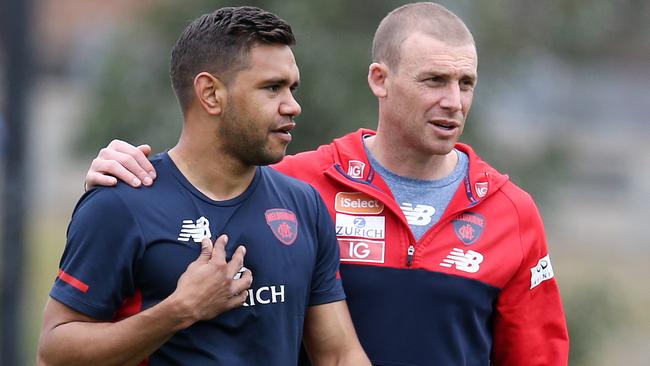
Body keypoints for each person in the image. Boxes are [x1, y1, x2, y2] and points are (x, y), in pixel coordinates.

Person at [83, 3, 570, 365]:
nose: (453, 101)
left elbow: (537, 356)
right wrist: (123, 180)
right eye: (434, 80)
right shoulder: (298, 186)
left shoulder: (512, 212)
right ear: (380, 79)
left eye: (466, 84)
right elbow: (171, 229)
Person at [37, 6, 370, 366]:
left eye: (292, 88)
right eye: (272, 88)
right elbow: (54, 354)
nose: (293, 106)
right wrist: (179, 310)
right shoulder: (121, 203)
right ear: (210, 94)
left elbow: (338, 355)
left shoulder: (303, 204)